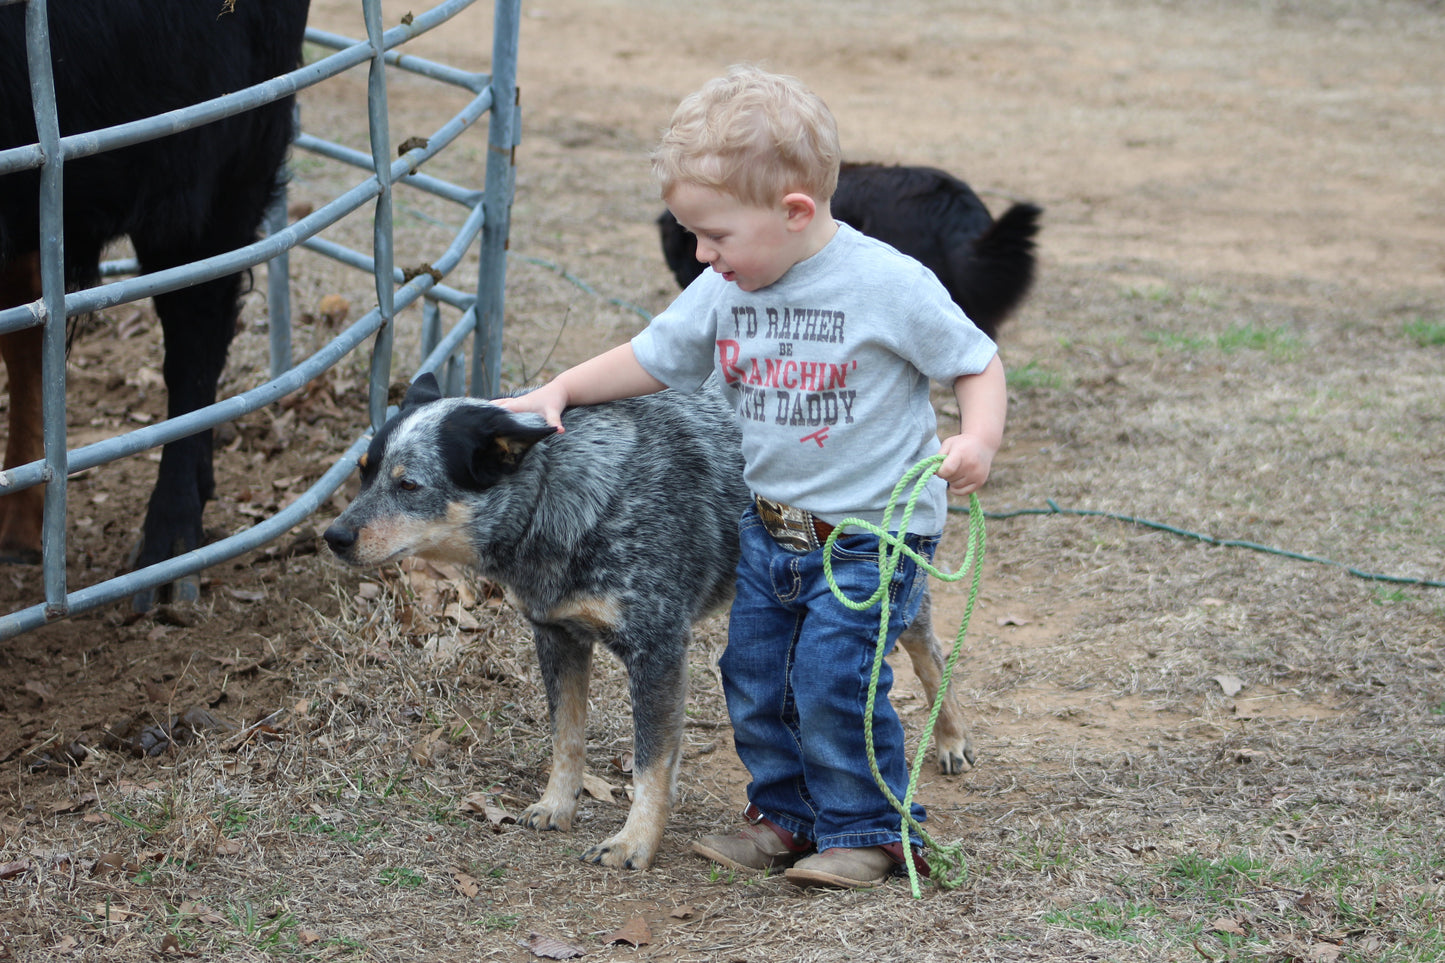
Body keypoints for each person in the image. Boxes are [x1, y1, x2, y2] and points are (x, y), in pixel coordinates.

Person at [496, 64, 1006, 889]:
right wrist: (559, 390)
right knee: (755, 676)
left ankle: (867, 829)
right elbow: (651, 357)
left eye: (715, 235)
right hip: (770, 531)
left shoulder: (887, 284)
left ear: (794, 211)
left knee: (833, 679)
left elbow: (975, 360)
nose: (701, 254)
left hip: (871, 535)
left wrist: (977, 437)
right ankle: (785, 814)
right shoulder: (726, 287)